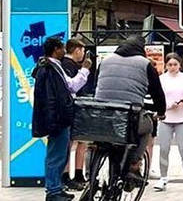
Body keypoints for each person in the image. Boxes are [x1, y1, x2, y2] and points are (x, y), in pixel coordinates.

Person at [94, 36, 167, 185]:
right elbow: (157, 93)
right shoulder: (145, 64)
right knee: (147, 127)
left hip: (102, 115)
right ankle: (133, 165)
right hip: (129, 116)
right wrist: (161, 112)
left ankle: (92, 174)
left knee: (103, 142)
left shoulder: (105, 61)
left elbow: (97, 84)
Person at [32, 36, 92, 201]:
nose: (64, 51)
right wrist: (85, 69)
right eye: (62, 48)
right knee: (56, 155)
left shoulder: (50, 67)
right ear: (55, 50)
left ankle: (56, 188)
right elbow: (71, 86)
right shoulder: (52, 68)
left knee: (60, 154)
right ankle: (53, 191)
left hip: (56, 118)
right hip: (58, 118)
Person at [155, 54, 183, 191]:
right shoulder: (161, 79)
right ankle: (163, 178)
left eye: (175, 64)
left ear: (180, 65)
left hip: (182, 118)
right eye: (170, 65)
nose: (173, 67)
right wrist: (168, 105)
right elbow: (157, 98)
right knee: (163, 149)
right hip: (166, 118)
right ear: (166, 65)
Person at [60, 38, 92, 190]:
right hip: (74, 107)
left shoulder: (70, 65)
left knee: (81, 141)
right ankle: (67, 175)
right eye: (83, 51)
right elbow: (73, 86)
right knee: (72, 142)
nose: (84, 54)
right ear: (77, 50)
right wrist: (85, 69)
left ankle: (78, 173)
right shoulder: (67, 65)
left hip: (78, 107)